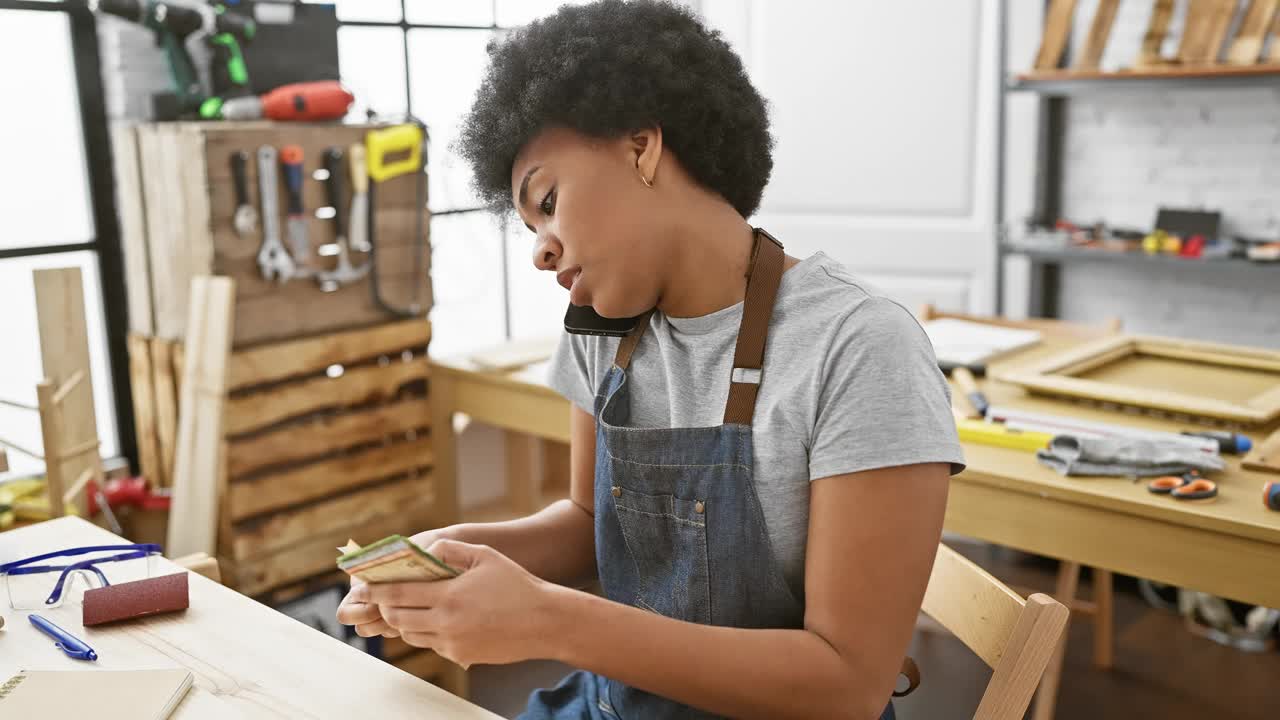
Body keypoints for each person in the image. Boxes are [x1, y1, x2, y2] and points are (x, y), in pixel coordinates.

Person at [337, 2, 964, 717]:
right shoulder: (601, 329)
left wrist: (547, 619)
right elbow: (583, 521)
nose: (540, 249)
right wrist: (458, 550)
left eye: (547, 200)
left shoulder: (859, 346)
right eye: (529, 226)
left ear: (641, 148)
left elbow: (847, 683)